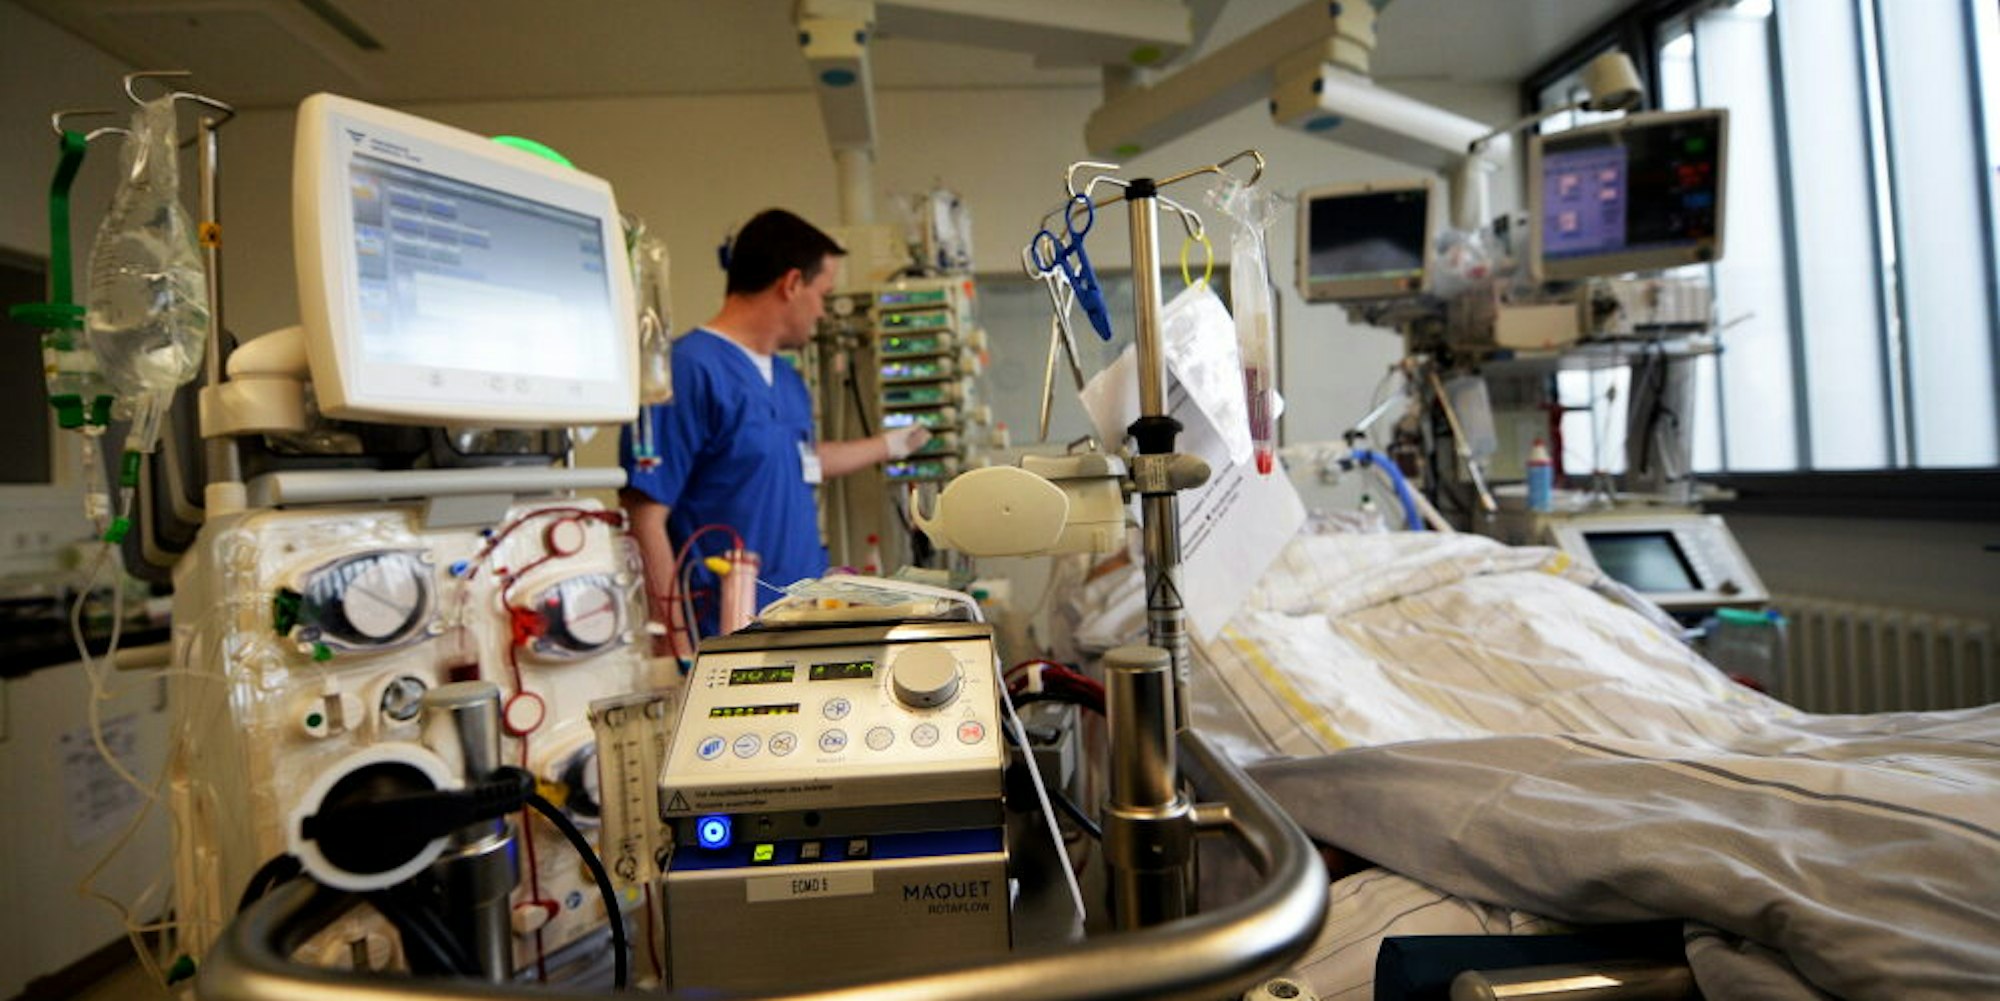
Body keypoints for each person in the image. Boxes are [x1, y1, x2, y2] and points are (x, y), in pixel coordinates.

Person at [619, 209, 929, 650]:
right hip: (723, 634)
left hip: (799, 623)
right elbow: (644, 515)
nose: (822, 311)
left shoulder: (787, 380)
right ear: (792, 284)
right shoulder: (688, 370)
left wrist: (890, 445)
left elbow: (796, 461)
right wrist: (679, 648)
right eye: (823, 295)